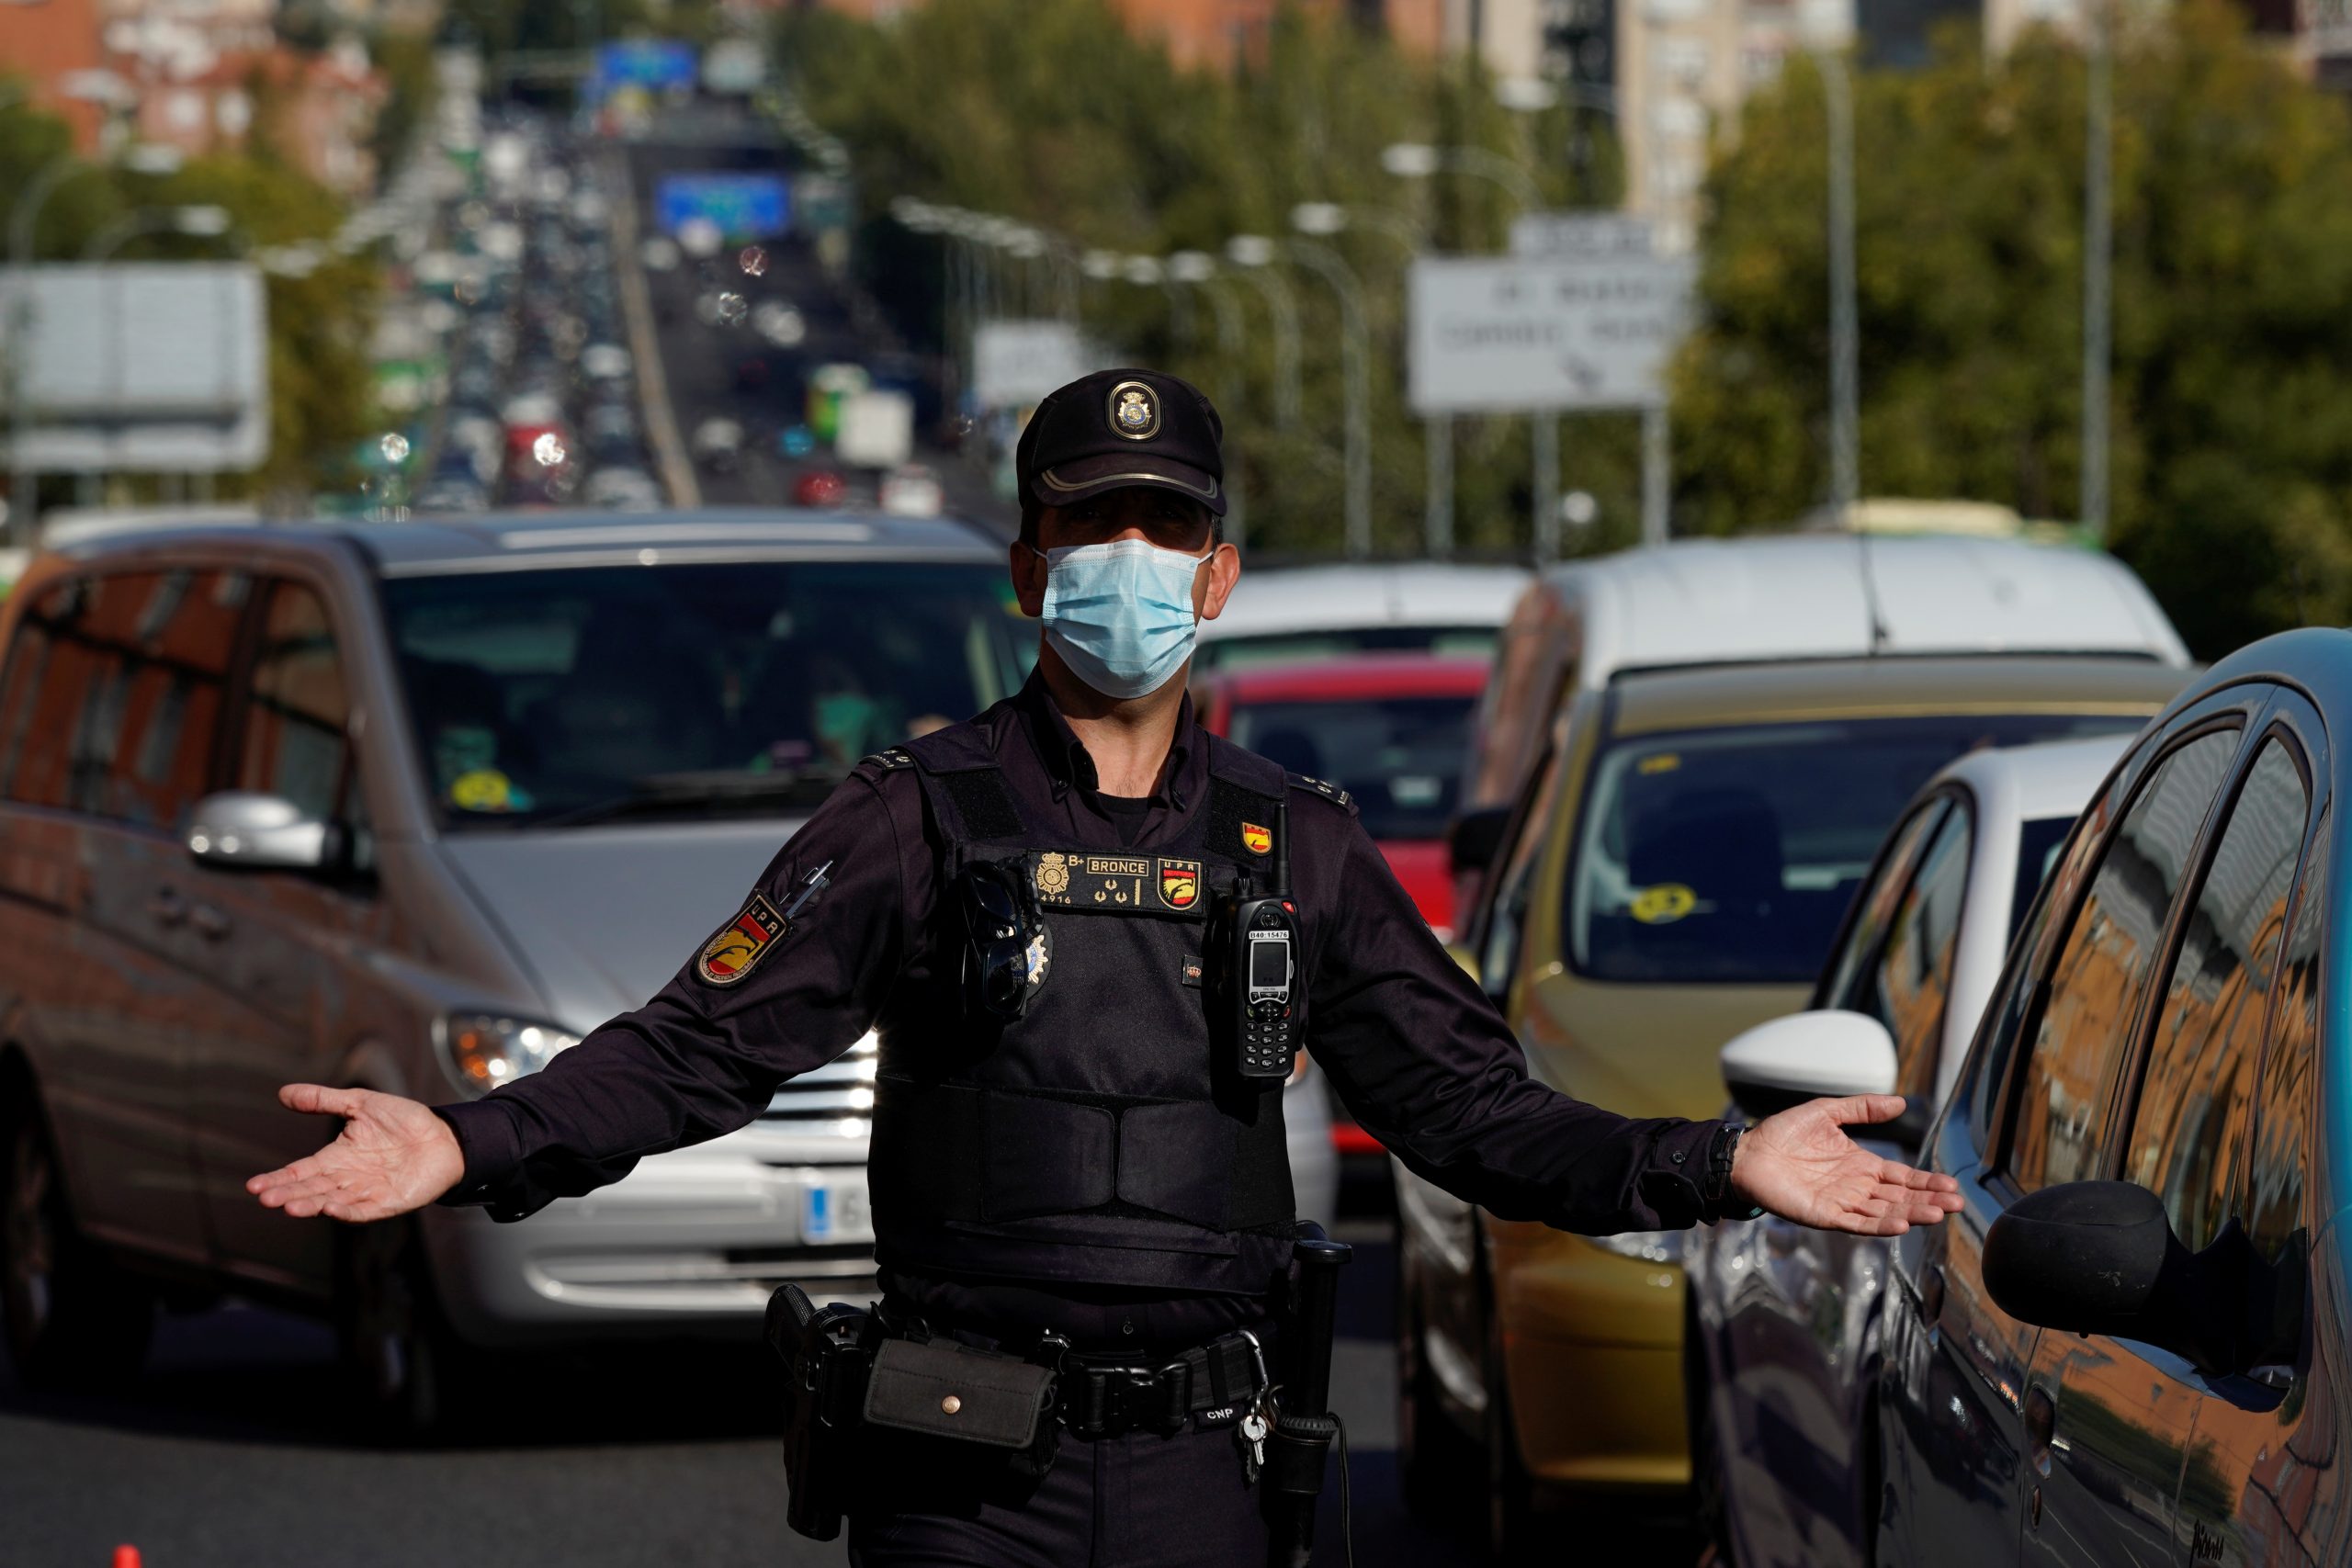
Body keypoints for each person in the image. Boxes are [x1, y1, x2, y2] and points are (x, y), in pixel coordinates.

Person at [248, 368, 1962, 1566]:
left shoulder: (1301, 847)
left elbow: (1477, 1117)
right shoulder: (912, 819)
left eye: (1163, 528)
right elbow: (700, 1047)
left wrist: (1723, 1161)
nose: (1126, 562)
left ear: (1217, 575)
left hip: (1203, 1478)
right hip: (954, 1466)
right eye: (1090, 527)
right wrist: (464, 1143)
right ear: (1026, 570)